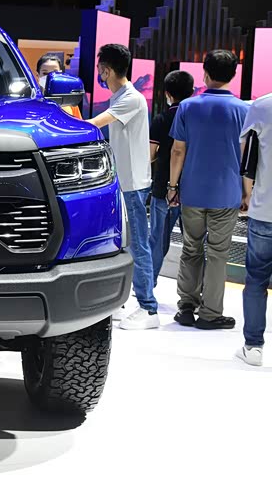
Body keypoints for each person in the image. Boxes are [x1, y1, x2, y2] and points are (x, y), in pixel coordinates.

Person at [168, 50, 249, 329]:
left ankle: (186, 307)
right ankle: (210, 314)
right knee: (217, 254)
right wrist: (247, 192)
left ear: (205, 73)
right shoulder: (243, 110)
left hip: (192, 191)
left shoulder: (187, 106)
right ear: (234, 75)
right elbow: (245, 157)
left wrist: (172, 186)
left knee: (190, 248)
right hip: (227, 192)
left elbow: (178, 150)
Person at [86, 44, 157, 330]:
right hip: (122, 183)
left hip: (133, 185)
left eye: (100, 69)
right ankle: (122, 301)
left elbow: (95, 123)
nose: (99, 74)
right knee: (124, 244)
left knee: (138, 245)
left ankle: (149, 308)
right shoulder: (120, 97)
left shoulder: (131, 99)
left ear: (107, 70)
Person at [149, 71, 194, 286]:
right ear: (192, 91)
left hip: (163, 187)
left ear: (167, 93)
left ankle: (148, 285)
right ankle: (195, 289)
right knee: (194, 243)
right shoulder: (196, 119)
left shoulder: (162, 118)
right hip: (193, 189)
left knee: (158, 240)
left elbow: (150, 155)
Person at [236, 94, 272, 366]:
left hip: (265, 209)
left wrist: (246, 194)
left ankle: (253, 347)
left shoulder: (262, 105)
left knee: (257, 280)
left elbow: (245, 154)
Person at [36, 53, 82, 119]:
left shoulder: (69, 101)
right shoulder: (31, 101)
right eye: (45, 73)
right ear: (37, 76)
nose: (50, 77)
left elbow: (78, 124)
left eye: (55, 73)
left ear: (61, 75)